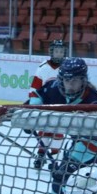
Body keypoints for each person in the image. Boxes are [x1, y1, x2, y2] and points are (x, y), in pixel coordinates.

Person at [28, 57, 97, 194]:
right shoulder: (54, 88)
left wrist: (72, 164)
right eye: (67, 80)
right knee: (62, 177)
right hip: (79, 140)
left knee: (77, 182)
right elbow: (36, 95)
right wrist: (30, 116)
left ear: (83, 80)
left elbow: (95, 139)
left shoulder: (94, 100)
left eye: (75, 80)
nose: (70, 85)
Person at [27, 39, 68, 170]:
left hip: (62, 107)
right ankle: (41, 154)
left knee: (58, 133)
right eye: (56, 51)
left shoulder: (67, 67)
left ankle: (54, 159)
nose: (59, 54)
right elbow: (34, 89)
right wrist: (33, 105)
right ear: (51, 52)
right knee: (45, 131)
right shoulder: (43, 68)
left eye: (61, 51)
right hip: (45, 106)